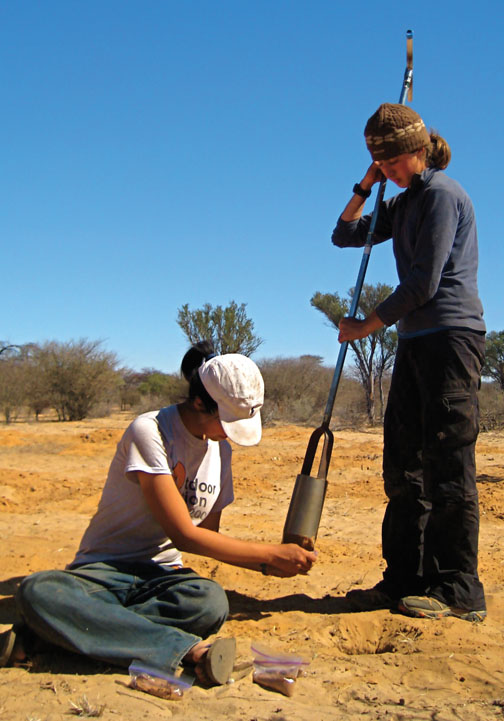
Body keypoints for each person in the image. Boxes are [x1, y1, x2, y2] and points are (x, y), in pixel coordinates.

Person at [0, 341, 317, 681]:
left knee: (209, 602)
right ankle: (185, 650)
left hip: (161, 577)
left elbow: (208, 536)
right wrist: (268, 557)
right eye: (227, 421)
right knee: (37, 591)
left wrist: (272, 564)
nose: (230, 434)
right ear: (199, 403)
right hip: (104, 571)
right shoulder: (149, 431)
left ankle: (58, 633)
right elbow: (185, 535)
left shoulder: (220, 452)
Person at [332, 103, 486, 622]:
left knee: (447, 466)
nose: (392, 171)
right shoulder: (399, 205)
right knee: (404, 468)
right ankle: (404, 578)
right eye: (384, 163)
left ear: (419, 151)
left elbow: (423, 283)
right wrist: (364, 184)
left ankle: (459, 591)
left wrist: (364, 327)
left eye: (395, 161)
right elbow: (345, 235)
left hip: (451, 339)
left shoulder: (442, 195)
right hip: (416, 342)